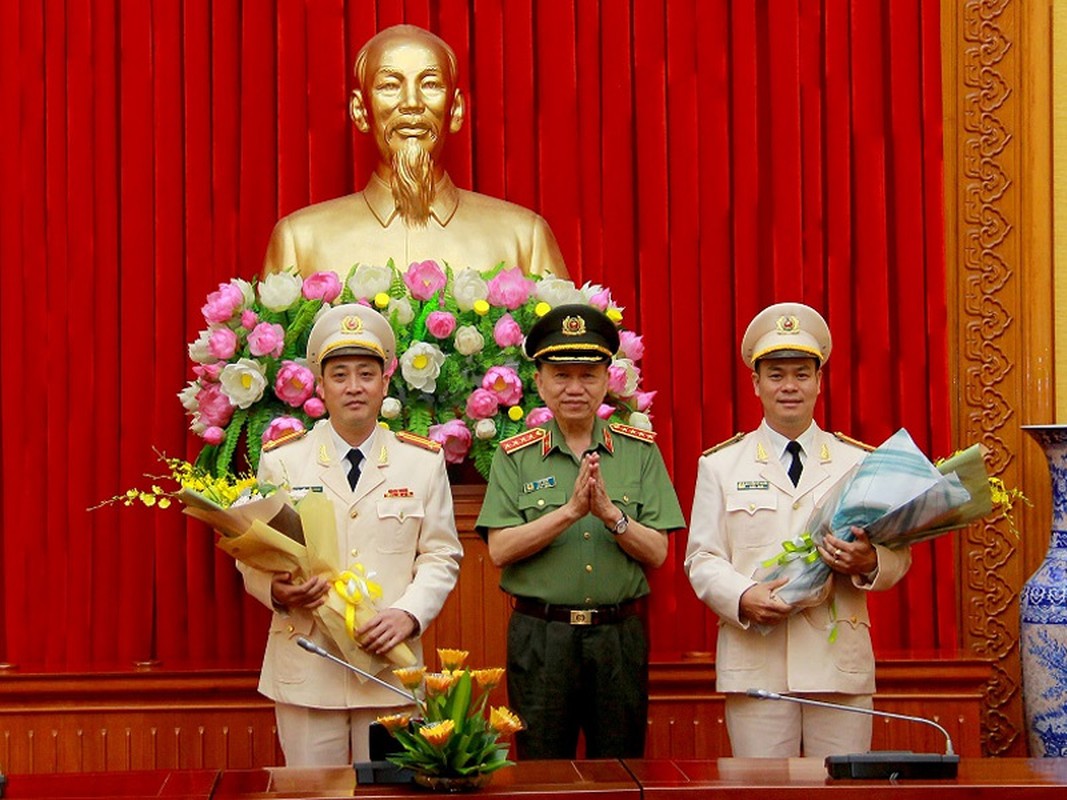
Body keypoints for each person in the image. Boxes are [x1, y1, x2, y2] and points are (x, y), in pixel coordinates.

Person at [685, 302, 911, 759]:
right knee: (762, 795)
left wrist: (870, 562)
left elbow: (898, 554)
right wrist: (744, 595)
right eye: (776, 374)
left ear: (819, 381)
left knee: (844, 794)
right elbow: (702, 558)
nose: (789, 386)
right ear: (755, 383)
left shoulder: (859, 462)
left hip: (838, 668)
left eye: (802, 374)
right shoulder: (720, 465)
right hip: (757, 664)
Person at [242, 303, 463, 765]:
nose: (354, 386)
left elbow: (440, 555)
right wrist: (277, 591)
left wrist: (409, 614)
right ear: (320, 386)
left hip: (388, 664)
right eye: (339, 374)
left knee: (393, 798)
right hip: (309, 663)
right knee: (309, 799)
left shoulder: (421, 461)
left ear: (386, 383)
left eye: (366, 373)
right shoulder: (283, 460)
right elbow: (253, 555)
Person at [476, 304, 685, 759]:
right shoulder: (515, 456)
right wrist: (570, 512)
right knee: (542, 772)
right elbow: (500, 549)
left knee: (622, 769)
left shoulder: (638, 452)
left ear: (608, 380)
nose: (574, 388)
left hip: (618, 637)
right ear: (539, 383)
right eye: (561, 375)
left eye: (588, 375)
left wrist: (612, 516)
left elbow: (657, 553)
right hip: (541, 636)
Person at [263, 24, 567, 279]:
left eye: (431, 84)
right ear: (360, 111)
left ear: (456, 109)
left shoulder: (524, 239)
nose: (411, 103)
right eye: (389, 85)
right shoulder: (300, 241)